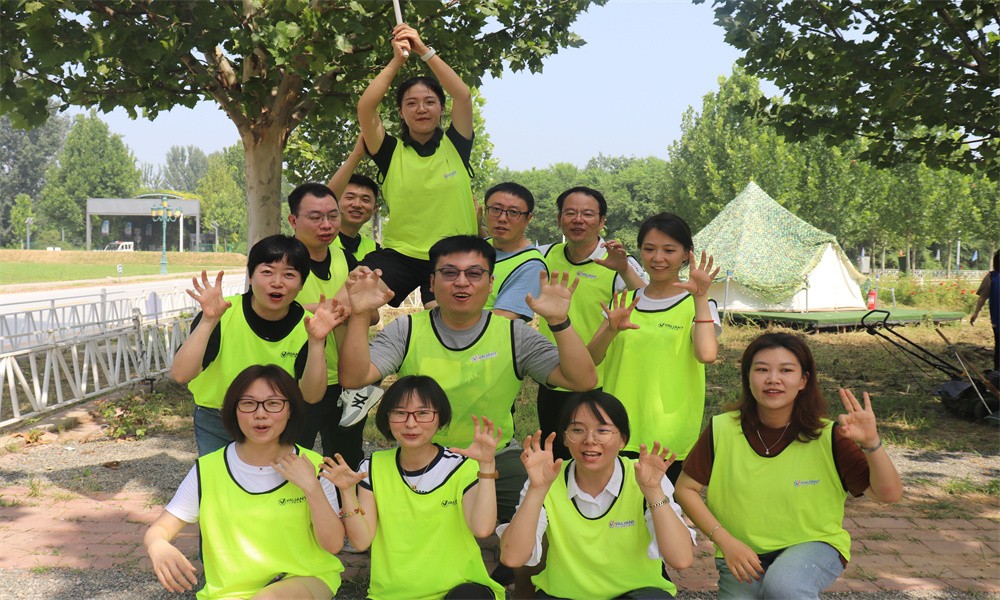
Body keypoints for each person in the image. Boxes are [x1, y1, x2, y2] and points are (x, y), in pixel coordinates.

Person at [338, 234, 597, 522]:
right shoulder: (406, 329)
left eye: (474, 274)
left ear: (491, 283)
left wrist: (559, 321)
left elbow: (582, 381)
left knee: (538, 522)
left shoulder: (514, 335)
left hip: (495, 456)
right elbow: (354, 378)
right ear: (432, 282)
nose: (462, 282)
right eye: (449, 273)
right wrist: (360, 315)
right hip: (421, 455)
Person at [674, 332, 903, 599]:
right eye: (762, 369)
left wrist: (872, 443)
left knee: (784, 585)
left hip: (813, 545)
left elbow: (888, 494)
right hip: (741, 551)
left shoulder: (829, 436)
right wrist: (725, 541)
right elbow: (685, 489)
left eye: (786, 370)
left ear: (803, 380)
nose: (773, 379)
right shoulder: (721, 429)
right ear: (748, 377)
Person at [145, 365, 346, 599]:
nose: (260, 414)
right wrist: (157, 545)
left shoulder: (313, 465)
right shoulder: (208, 469)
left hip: (305, 578)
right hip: (230, 593)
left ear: (290, 409)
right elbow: (159, 529)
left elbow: (333, 545)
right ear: (234, 410)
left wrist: (311, 487)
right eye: (248, 403)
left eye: (273, 403)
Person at [322, 375, 506, 600]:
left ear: (440, 417)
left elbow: (482, 528)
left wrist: (486, 466)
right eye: (400, 413)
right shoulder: (373, 468)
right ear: (387, 418)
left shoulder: (461, 466)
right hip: (391, 595)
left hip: (457, 590)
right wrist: (347, 492)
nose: (411, 423)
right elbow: (361, 541)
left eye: (422, 413)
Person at [498, 390, 694, 599]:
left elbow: (680, 559)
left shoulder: (645, 476)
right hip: (565, 596)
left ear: (623, 440)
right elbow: (512, 557)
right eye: (577, 430)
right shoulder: (547, 478)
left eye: (602, 430)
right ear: (565, 438)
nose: (590, 440)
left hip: (635, 594)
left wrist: (653, 491)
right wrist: (537, 490)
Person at [170, 234, 346, 456]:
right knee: (220, 478)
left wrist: (317, 342)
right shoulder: (222, 313)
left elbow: (311, 396)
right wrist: (208, 321)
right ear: (251, 277)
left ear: (302, 284)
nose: (277, 282)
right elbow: (181, 374)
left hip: (277, 422)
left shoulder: (309, 325)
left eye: (289, 275)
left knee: (275, 479)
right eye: (267, 272)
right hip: (218, 418)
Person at [588, 212, 720, 482]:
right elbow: (591, 358)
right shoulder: (624, 301)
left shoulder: (698, 305)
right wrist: (611, 330)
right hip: (617, 428)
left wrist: (701, 296)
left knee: (661, 505)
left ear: (686, 255)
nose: (658, 258)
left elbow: (707, 354)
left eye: (669, 250)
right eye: (649, 249)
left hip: (668, 433)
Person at [358, 23, 478, 308]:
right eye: (411, 103)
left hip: (453, 257)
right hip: (401, 256)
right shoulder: (390, 152)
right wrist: (396, 61)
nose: (421, 109)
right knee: (355, 296)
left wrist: (423, 50)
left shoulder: (456, 145)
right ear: (401, 112)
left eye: (429, 102)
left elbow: (462, 95)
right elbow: (366, 107)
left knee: (446, 323)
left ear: (441, 108)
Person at [536, 186, 645, 458]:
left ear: (602, 221)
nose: (578, 220)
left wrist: (624, 269)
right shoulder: (544, 255)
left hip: (600, 382)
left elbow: (647, 300)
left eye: (587, 214)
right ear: (559, 218)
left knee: (595, 455)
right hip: (555, 377)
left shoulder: (619, 262)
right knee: (556, 455)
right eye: (570, 213)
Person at [286, 182, 380, 469]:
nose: (326, 225)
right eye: (315, 217)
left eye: (332, 216)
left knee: (346, 462)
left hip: (346, 381)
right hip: (296, 381)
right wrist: (331, 310)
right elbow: (269, 310)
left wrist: (353, 311)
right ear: (293, 220)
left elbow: (372, 316)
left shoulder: (345, 258)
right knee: (291, 460)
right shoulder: (280, 260)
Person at [482, 181, 546, 321]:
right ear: (485, 211)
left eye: (513, 213)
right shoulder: (482, 246)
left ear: (528, 218)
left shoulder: (531, 265)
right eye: (495, 209)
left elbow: (502, 321)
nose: (502, 218)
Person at [327, 135, 381, 263]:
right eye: (350, 197)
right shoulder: (319, 240)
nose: (357, 204)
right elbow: (326, 196)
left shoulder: (374, 250)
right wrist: (357, 154)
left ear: (374, 209)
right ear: (336, 202)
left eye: (365, 200)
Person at [970, 250, 999, 371]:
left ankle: (998, 372)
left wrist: (976, 314)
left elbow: (983, 297)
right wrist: (976, 314)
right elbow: (982, 297)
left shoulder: (991, 277)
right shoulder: (991, 277)